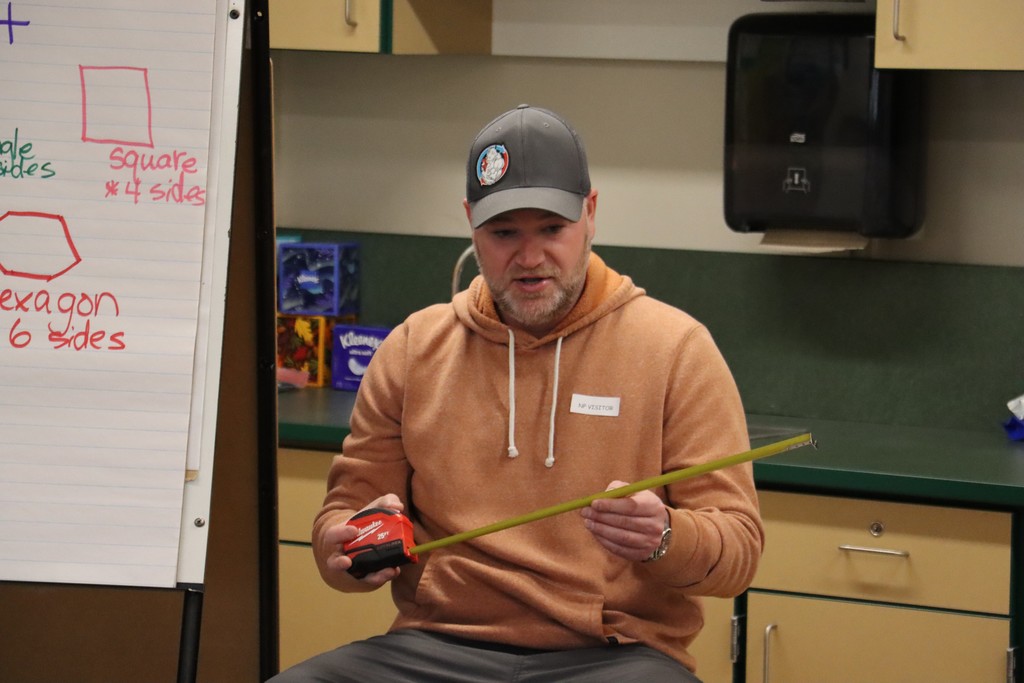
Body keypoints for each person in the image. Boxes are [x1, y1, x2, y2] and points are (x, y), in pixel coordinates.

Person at [270, 104, 763, 683]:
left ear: (591, 213)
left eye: (551, 230)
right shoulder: (413, 348)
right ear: (470, 223)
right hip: (435, 647)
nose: (529, 259)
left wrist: (666, 539)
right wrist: (345, 546)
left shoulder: (676, 349)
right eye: (504, 234)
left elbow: (738, 552)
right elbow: (343, 515)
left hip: (614, 656)